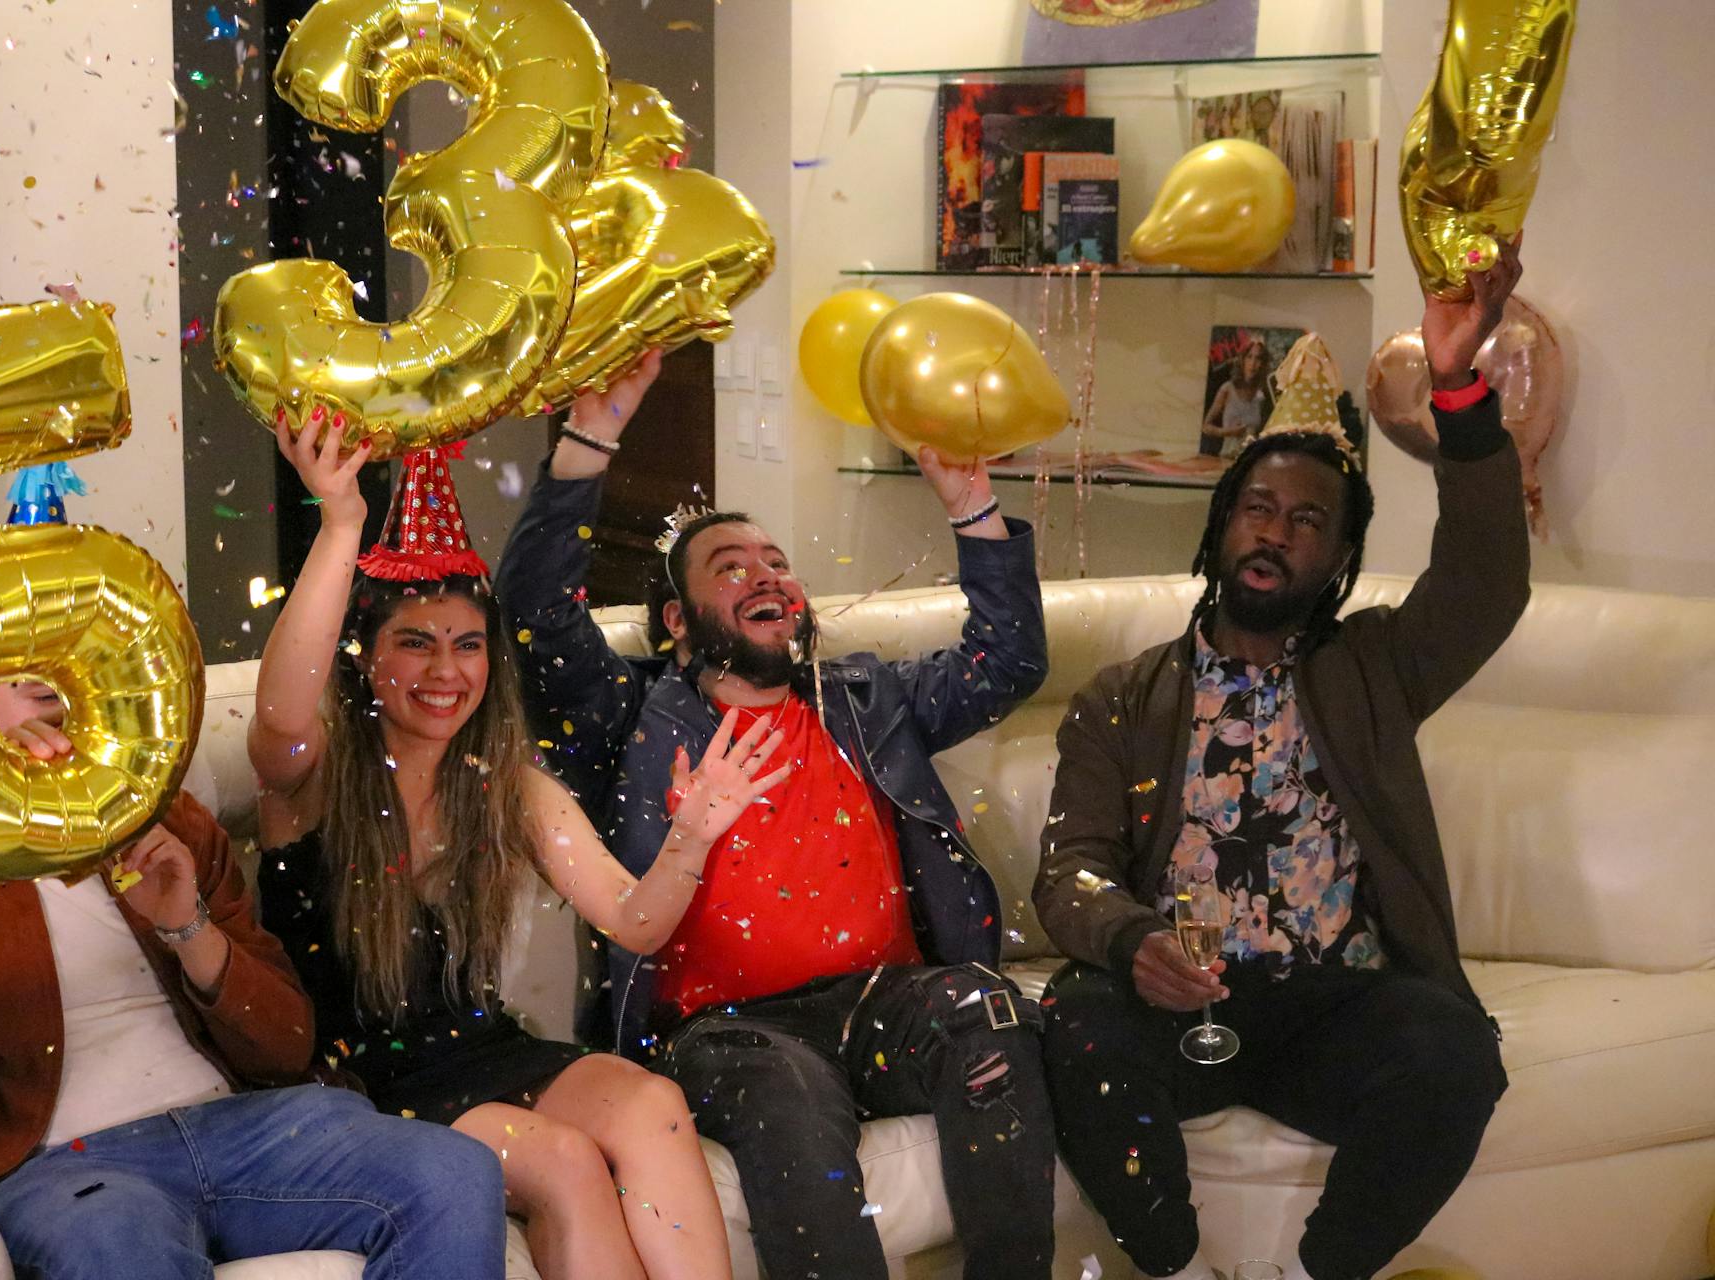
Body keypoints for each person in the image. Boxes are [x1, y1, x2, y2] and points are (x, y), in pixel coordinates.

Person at [496, 350, 1058, 1280]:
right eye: (730, 567)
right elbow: (533, 623)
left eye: (777, 563)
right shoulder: (630, 714)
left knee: (990, 1013)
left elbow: (1010, 662)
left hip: (888, 998)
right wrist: (589, 442)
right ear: (677, 620)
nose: (767, 577)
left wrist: (971, 508)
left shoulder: (867, 697)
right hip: (729, 1029)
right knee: (788, 1099)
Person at [1033, 240, 1531, 1280]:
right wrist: (1130, 942)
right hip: (1179, 1004)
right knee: (1075, 1015)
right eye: (1258, 508)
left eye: (1308, 521)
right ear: (1221, 528)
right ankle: (1171, 1263)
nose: (1276, 531)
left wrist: (1457, 388)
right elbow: (1068, 868)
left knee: (1452, 1051)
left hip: (1333, 1003)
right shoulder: (1122, 696)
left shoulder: (1375, 670)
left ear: (1339, 559)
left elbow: (1485, 578)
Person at [251, 418, 760, 1280]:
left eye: (467, 645)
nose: (446, 670)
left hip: (480, 1048)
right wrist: (342, 523)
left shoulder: (507, 784)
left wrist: (691, 838)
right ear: (364, 658)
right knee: (563, 1158)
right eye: (415, 642)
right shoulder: (311, 773)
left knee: (655, 1105)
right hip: (351, 1085)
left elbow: (635, 922)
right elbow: (278, 712)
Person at [0, 680, 508, 1280]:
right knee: (113, 1248)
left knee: (453, 1173)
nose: (57, 669)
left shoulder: (165, 816)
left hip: (246, 1127)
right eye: (26, 658)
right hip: (61, 1169)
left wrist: (186, 927)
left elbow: (286, 1044)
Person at [1200, 338, 1273, 457]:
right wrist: (1229, 432)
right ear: (1242, 360)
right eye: (1249, 357)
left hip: (1251, 459)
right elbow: (1206, 427)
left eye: (1258, 358)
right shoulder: (1227, 389)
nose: (1253, 363)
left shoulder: (1262, 395)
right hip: (1227, 456)